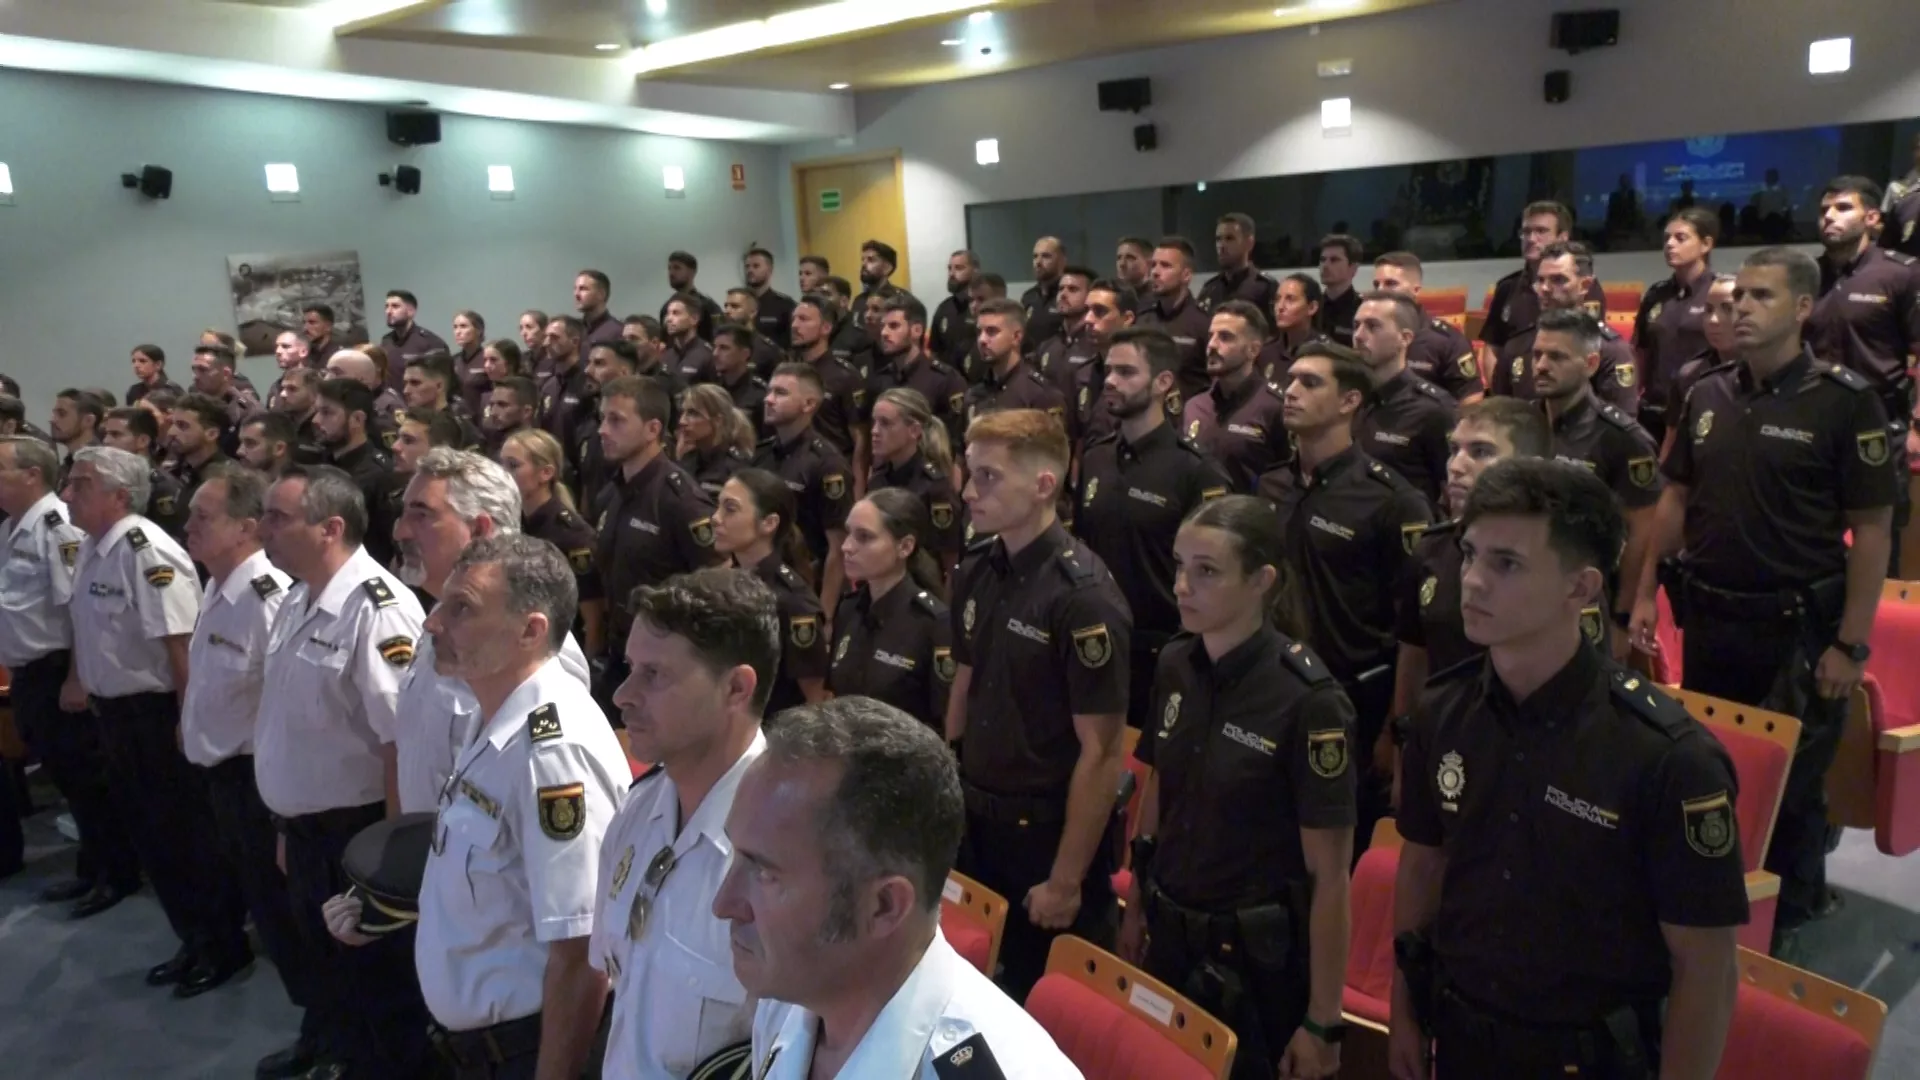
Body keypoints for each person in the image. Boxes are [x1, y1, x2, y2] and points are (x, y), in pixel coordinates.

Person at [1393, 459, 1746, 1080]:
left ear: (1581, 588)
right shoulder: (1442, 711)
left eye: (1507, 564)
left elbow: (1707, 967)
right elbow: (1423, 865)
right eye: (1470, 554)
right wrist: (1404, 1011)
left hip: (1588, 1058)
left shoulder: (1669, 757)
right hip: (1463, 1033)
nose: (1471, 582)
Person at [1630, 247, 1896, 955]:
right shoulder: (1707, 391)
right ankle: (1719, 899)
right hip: (1714, 617)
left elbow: (1872, 531)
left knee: (1791, 785)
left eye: (1759, 297)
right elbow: (1676, 496)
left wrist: (1850, 642)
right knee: (1717, 769)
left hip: (1799, 627)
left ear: (1803, 309)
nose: (1738, 308)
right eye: (1736, 295)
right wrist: (1646, 591)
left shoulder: (1844, 400)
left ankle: (1790, 917)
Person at [325, 534, 624, 1080]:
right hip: (475, 1046)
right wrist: (383, 910)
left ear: (530, 630)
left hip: (523, 1052)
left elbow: (581, 951)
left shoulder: (553, 753)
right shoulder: (494, 717)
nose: (432, 622)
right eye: (442, 603)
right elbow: (491, 880)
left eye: (462, 608)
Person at [719, 696, 1085, 1079]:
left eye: (765, 873)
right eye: (735, 855)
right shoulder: (791, 997)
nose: (723, 903)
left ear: (883, 906)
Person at [1121, 495, 1355, 1080]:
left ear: (1262, 581)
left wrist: (1324, 1021)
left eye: (1206, 571)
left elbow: (1329, 878)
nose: (1181, 585)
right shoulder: (1176, 663)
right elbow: (1158, 792)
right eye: (1179, 565)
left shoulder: (1308, 700)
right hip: (1171, 928)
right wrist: (1135, 902)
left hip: (1255, 962)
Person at [252, 464, 430, 1078]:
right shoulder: (299, 594)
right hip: (305, 830)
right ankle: (330, 1049)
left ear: (330, 528)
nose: (262, 528)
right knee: (323, 963)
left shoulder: (376, 610)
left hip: (356, 833)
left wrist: (387, 865)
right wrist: (284, 825)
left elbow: (398, 745)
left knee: (373, 982)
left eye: (278, 517)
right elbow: (293, 728)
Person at [947, 408, 1132, 998]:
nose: (969, 491)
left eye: (989, 477)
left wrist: (1065, 879)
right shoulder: (978, 566)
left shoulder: (1083, 597)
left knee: (1035, 1008)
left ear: (1044, 484)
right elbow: (964, 680)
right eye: (969, 473)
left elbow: (1102, 753)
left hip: (1044, 836)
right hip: (975, 821)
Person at [62, 446, 251, 992]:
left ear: (119, 495)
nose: (68, 493)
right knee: (149, 834)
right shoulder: (96, 547)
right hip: (115, 714)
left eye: (81, 484)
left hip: (155, 714)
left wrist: (186, 719)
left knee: (184, 835)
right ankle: (191, 938)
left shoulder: (145, 551)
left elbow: (179, 646)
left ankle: (221, 944)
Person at [596, 567, 773, 1078]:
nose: (622, 694)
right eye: (631, 668)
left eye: (654, 675)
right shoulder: (637, 812)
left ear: (736, 689)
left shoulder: (793, 861)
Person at [1259, 344, 1432, 857]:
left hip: (1351, 699)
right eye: (1290, 380)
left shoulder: (1392, 500)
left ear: (1349, 401)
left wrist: (1393, 732)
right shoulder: (1270, 483)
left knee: (1335, 854)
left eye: (1310, 383)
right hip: (1270, 689)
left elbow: (1413, 629)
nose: (1290, 391)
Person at [180, 467, 311, 1015]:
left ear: (246, 528)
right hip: (221, 769)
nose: (187, 526)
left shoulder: (267, 597)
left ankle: (322, 1030)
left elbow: (291, 701)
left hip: (257, 779)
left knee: (286, 918)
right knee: (254, 897)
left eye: (203, 517)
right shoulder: (217, 582)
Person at [0, 436, 140, 915]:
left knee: (85, 779)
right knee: (66, 779)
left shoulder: (55, 527)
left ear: (30, 475)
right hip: (27, 671)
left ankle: (113, 872)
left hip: (57, 669)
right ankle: (91, 867)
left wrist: (77, 677)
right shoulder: (14, 526)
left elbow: (77, 609)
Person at [1076, 327, 1231, 730]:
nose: (1110, 380)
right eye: (1108, 370)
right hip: (1093, 642)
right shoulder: (1096, 457)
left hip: (1162, 653)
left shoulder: (1195, 471)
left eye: (1126, 372)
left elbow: (1216, 575)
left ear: (1163, 382)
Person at [1390, 398, 1551, 722]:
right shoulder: (1432, 548)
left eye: (1480, 452)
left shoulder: (1558, 557)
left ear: (1530, 464)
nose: (1456, 466)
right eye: (1454, 450)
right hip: (1442, 733)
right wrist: (1400, 733)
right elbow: (1415, 652)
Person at [592, 376, 725, 718]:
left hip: (666, 665)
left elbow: (718, 583)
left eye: (617, 420)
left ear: (653, 429)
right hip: (620, 652)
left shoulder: (679, 499)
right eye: (602, 419)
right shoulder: (613, 492)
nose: (603, 430)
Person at [1807, 175, 1920, 571]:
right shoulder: (1806, 276)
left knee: (1878, 537)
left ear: (1872, 217)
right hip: (1814, 423)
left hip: (1879, 425)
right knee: (1812, 532)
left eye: (1842, 208)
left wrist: (1917, 426)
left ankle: (1872, 627)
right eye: (1824, 210)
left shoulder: (1901, 273)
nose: (1829, 217)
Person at [1533, 309, 1663, 652]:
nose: (1542, 365)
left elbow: (1642, 535)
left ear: (1591, 363)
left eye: (1557, 356)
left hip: (1590, 601)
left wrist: (1622, 615)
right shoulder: (1523, 423)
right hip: (1527, 590)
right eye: (1537, 354)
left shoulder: (1622, 438)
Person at [830, 489, 953, 733]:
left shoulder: (933, 622)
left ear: (905, 547)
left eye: (864, 537)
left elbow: (947, 718)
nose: (846, 547)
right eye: (848, 534)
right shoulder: (848, 608)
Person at [713, 470, 831, 715]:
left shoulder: (793, 601)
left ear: (769, 523)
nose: (716, 518)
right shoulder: (724, 580)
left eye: (730, 509)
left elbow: (815, 700)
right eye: (718, 507)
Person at [754, 363, 855, 616]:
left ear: (808, 404)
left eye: (780, 393)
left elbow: (838, 545)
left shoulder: (826, 463)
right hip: (760, 582)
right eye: (769, 391)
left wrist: (826, 613)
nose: (768, 399)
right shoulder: (762, 454)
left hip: (803, 586)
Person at [1351, 292, 1458, 506]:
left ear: (1405, 338)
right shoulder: (1347, 398)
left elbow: (1451, 491)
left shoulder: (1433, 409)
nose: (1359, 336)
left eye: (1373, 326)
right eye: (1356, 326)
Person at [1181, 300, 1291, 494]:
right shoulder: (1194, 405)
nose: (1212, 345)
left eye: (1225, 337)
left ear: (1253, 350)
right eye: (1211, 336)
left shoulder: (1276, 407)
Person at [1632, 208, 1720, 444]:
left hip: (1701, 408)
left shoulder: (1718, 292)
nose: (1670, 244)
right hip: (1655, 410)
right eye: (1666, 238)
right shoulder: (1656, 294)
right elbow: (1641, 351)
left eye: (1680, 238)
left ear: (1705, 244)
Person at [1481, 201, 1608, 354]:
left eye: (1541, 231)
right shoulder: (1507, 287)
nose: (1531, 239)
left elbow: (1590, 343)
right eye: (1526, 232)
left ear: (1562, 237)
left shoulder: (1581, 285)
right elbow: (1493, 346)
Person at [865, 387, 962, 568]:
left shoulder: (934, 487)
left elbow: (950, 559)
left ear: (914, 430)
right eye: (874, 422)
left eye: (885, 423)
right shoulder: (878, 478)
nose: (874, 431)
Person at [1370, 253, 1484, 404]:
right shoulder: (1364, 334)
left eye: (1391, 283)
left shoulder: (1445, 340)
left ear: (1415, 290)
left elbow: (1470, 398)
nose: (1381, 291)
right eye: (1376, 284)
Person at [313, 377, 399, 569]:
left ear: (357, 419)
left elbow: (389, 548)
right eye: (317, 411)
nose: (316, 421)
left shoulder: (379, 474)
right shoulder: (319, 465)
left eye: (327, 413)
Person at [865, 295, 968, 453]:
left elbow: (956, 445)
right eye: (882, 327)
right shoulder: (879, 379)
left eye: (893, 326)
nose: (884, 333)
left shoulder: (943, 379)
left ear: (917, 330)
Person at [1137, 237, 1213, 405]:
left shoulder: (1204, 324)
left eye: (1165, 265)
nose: (1155, 272)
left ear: (1186, 275)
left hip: (1189, 417)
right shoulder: (1143, 320)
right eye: (1153, 265)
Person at [965, 299, 1067, 425]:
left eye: (991, 332)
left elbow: (1052, 443)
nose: (982, 340)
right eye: (979, 332)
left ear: (1016, 337)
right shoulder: (975, 394)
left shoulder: (1039, 394)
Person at [1067, 279, 1140, 453]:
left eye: (1100, 311)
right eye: (1087, 310)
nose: (1088, 319)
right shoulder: (1083, 373)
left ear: (1127, 318)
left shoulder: (1145, 374)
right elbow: (1080, 437)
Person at [102, 407, 189, 539]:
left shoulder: (161, 487)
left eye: (115, 434)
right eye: (106, 434)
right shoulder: (110, 480)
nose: (106, 441)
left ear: (143, 441)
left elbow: (170, 538)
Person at [675, 383, 755, 497]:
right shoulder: (689, 457)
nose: (682, 421)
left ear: (718, 420)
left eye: (693, 414)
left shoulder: (735, 467)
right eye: (683, 412)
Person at [1201, 212, 1281, 317]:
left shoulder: (1265, 287)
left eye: (1230, 238)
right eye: (1218, 239)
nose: (1221, 245)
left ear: (1249, 243)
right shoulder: (1210, 289)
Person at [1034, 265, 1097, 396]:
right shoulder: (1046, 346)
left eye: (1073, 289)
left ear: (1090, 296)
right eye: (1061, 289)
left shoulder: (1097, 345)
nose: (1063, 294)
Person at [381, 289, 451, 385]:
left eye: (395, 306)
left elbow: (443, 382)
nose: (388, 311)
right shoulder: (386, 341)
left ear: (411, 311)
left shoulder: (430, 342)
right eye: (386, 306)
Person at [710, 323, 771, 421]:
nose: (715, 354)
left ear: (744, 354)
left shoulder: (759, 395)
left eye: (724, 348)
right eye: (715, 347)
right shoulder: (712, 389)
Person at [929, 249, 979, 365]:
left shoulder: (985, 306)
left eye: (959, 268)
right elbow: (934, 350)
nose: (951, 274)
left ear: (975, 271)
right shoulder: (943, 308)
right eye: (949, 268)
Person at [1313, 234, 1364, 347]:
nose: (1325, 265)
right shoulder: (1311, 307)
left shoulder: (1362, 309)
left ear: (1353, 268)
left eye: (1334, 260)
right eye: (1322, 260)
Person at [662, 251, 724, 341]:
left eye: (677, 268)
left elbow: (719, 337)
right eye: (669, 268)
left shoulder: (708, 306)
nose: (671, 273)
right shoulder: (666, 307)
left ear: (692, 272)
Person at [1021, 235, 1068, 352]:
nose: (1038, 262)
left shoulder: (1067, 295)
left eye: (1046, 256)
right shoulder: (1028, 297)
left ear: (1062, 260)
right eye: (1035, 256)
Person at [744, 246, 797, 350]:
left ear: (770, 269)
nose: (750, 270)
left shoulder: (785, 304)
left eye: (756, 266)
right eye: (747, 266)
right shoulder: (740, 305)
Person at [662, 293, 717, 384]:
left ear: (694, 319)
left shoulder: (707, 355)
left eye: (676, 313)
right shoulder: (667, 355)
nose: (669, 319)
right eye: (668, 314)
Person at [450, 310, 491, 416]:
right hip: (458, 420)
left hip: (481, 419)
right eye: (455, 327)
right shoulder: (453, 360)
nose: (458, 332)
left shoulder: (488, 359)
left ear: (479, 330)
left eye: (463, 326)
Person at [574, 268, 625, 351]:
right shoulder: (574, 329)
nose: (576, 294)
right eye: (575, 288)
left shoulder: (617, 332)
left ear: (601, 294)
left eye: (583, 289)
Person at [304, 304, 344, 369]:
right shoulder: (305, 356)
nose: (305, 328)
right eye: (304, 323)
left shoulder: (339, 356)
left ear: (328, 326)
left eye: (312, 322)